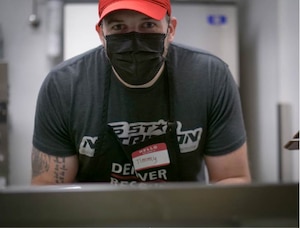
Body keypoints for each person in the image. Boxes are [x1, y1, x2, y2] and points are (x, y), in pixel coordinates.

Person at [31, 0, 251, 185]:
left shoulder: (210, 77)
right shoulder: (64, 86)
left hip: (185, 218)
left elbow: (230, 179)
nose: (134, 40)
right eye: (119, 28)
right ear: (101, 33)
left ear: (170, 29)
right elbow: (49, 190)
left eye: (147, 25)